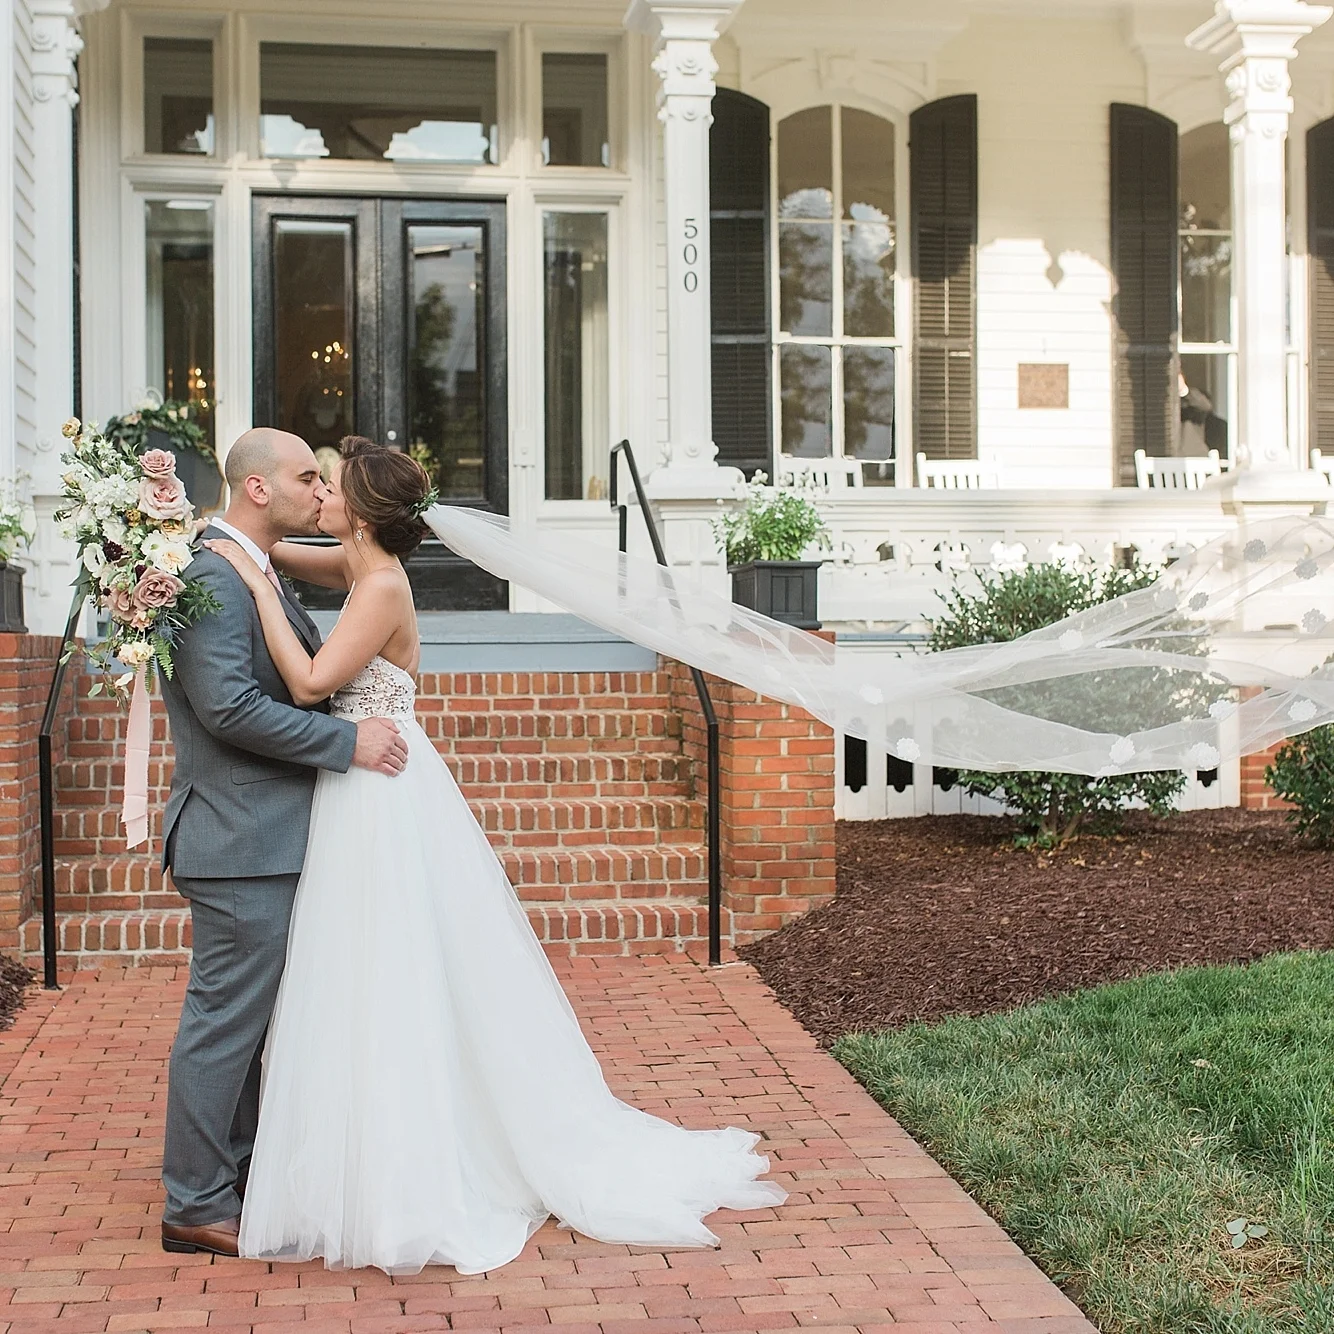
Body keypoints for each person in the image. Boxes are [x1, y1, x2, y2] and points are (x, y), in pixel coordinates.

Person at [201, 435, 785, 1275]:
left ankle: (413, 1161)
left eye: (329, 486)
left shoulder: (381, 585)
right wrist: (223, 539)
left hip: (380, 791)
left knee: (389, 966)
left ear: (359, 514)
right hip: (360, 785)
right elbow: (273, 550)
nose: (319, 493)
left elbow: (308, 683)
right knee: (362, 966)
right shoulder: (357, 565)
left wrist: (256, 587)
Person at [158, 428, 410, 1259]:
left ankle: (232, 1174)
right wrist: (346, 743)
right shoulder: (214, 575)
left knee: (250, 1023)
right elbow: (228, 707)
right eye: (307, 478)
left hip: (267, 833)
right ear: (259, 489)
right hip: (239, 837)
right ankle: (196, 1201)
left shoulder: (254, 565)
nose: (319, 490)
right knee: (224, 1024)